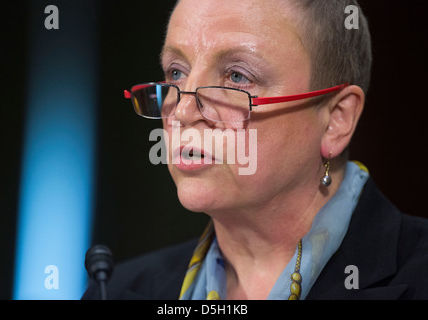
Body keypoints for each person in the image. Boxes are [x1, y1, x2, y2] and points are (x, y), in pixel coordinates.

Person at [83, 0, 428, 300]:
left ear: (336, 119)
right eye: (176, 72)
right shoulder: (114, 289)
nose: (182, 111)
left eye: (236, 77)